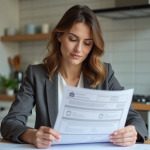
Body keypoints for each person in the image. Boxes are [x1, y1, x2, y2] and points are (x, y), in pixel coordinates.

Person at [1, 5, 148, 149]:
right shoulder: (36, 75)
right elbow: (10, 123)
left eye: (87, 43)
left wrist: (133, 133)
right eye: (72, 39)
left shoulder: (104, 74)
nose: (79, 49)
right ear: (59, 36)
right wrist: (32, 135)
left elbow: (136, 120)